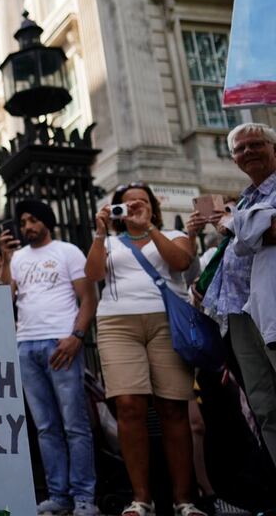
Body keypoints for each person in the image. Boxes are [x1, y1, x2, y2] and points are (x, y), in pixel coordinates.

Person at [84, 182, 205, 516]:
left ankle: (185, 500)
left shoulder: (171, 234)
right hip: (117, 325)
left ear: (153, 206)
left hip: (167, 323)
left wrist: (148, 227)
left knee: (173, 409)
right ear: (116, 212)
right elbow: (93, 274)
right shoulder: (108, 241)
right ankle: (142, 500)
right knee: (128, 406)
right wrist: (99, 233)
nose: (134, 206)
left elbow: (181, 262)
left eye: (141, 202)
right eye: (127, 204)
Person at [0, 199, 98, 516]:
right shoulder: (17, 259)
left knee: (74, 425)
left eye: (33, 219)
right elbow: (1, 300)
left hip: (61, 342)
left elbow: (88, 299)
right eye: (23, 221)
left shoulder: (68, 251)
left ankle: (84, 497)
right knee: (45, 427)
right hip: (25, 345)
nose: (27, 225)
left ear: (46, 221)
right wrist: (4, 259)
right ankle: (59, 496)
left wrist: (76, 337)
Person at [200, 122, 276, 466]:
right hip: (240, 313)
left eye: (256, 144)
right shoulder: (247, 197)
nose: (248, 152)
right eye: (241, 149)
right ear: (233, 160)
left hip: (270, 308)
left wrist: (236, 224)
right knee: (263, 406)